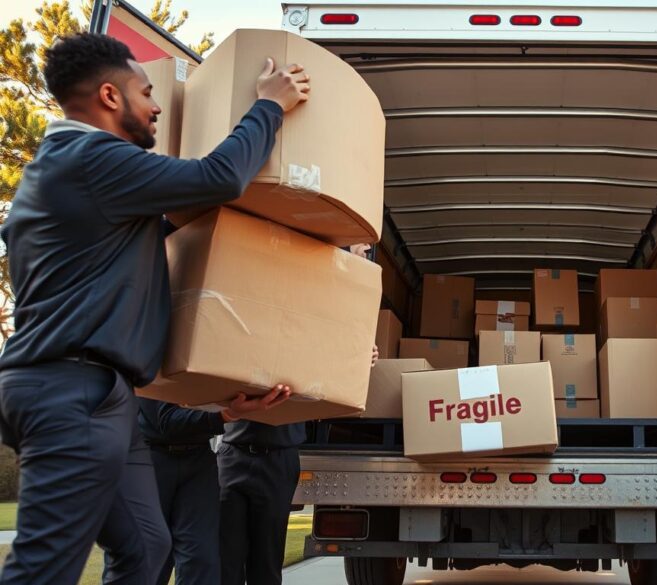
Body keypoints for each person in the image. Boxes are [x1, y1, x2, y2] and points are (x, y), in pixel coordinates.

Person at [0, 32, 308, 584]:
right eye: (147, 92)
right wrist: (269, 105)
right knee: (43, 567)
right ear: (111, 98)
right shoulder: (90, 158)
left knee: (145, 547)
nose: (158, 104)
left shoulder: (79, 176)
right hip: (71, 394)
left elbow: (180, 226)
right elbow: (218, 178)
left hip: (103, 395)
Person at [219, 349, 380, 585]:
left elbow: (330, 372)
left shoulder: (302, 354)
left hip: (278, 458)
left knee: (267, 560)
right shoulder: (249, 343)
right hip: (234, 454)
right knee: (225, 559)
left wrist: (358, 356)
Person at [139, 391, 290, 585]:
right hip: (152, 458)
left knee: (201, 558)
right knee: (149, 556)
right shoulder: (153, 371)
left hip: (198, 459)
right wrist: (226, 414)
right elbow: (167, 421)